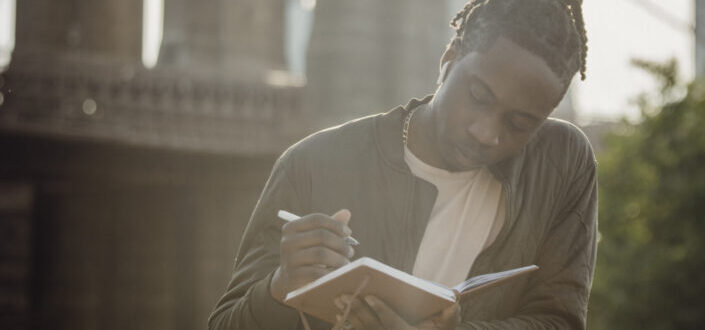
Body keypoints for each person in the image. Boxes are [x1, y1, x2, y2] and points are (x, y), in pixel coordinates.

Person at [209, 0, 597, 329]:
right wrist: (281, 286)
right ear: (450, 56)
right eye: (478, 96)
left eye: (519, 124)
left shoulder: (561, 164)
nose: (486, 133)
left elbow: (558, 320)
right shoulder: (311, 164)